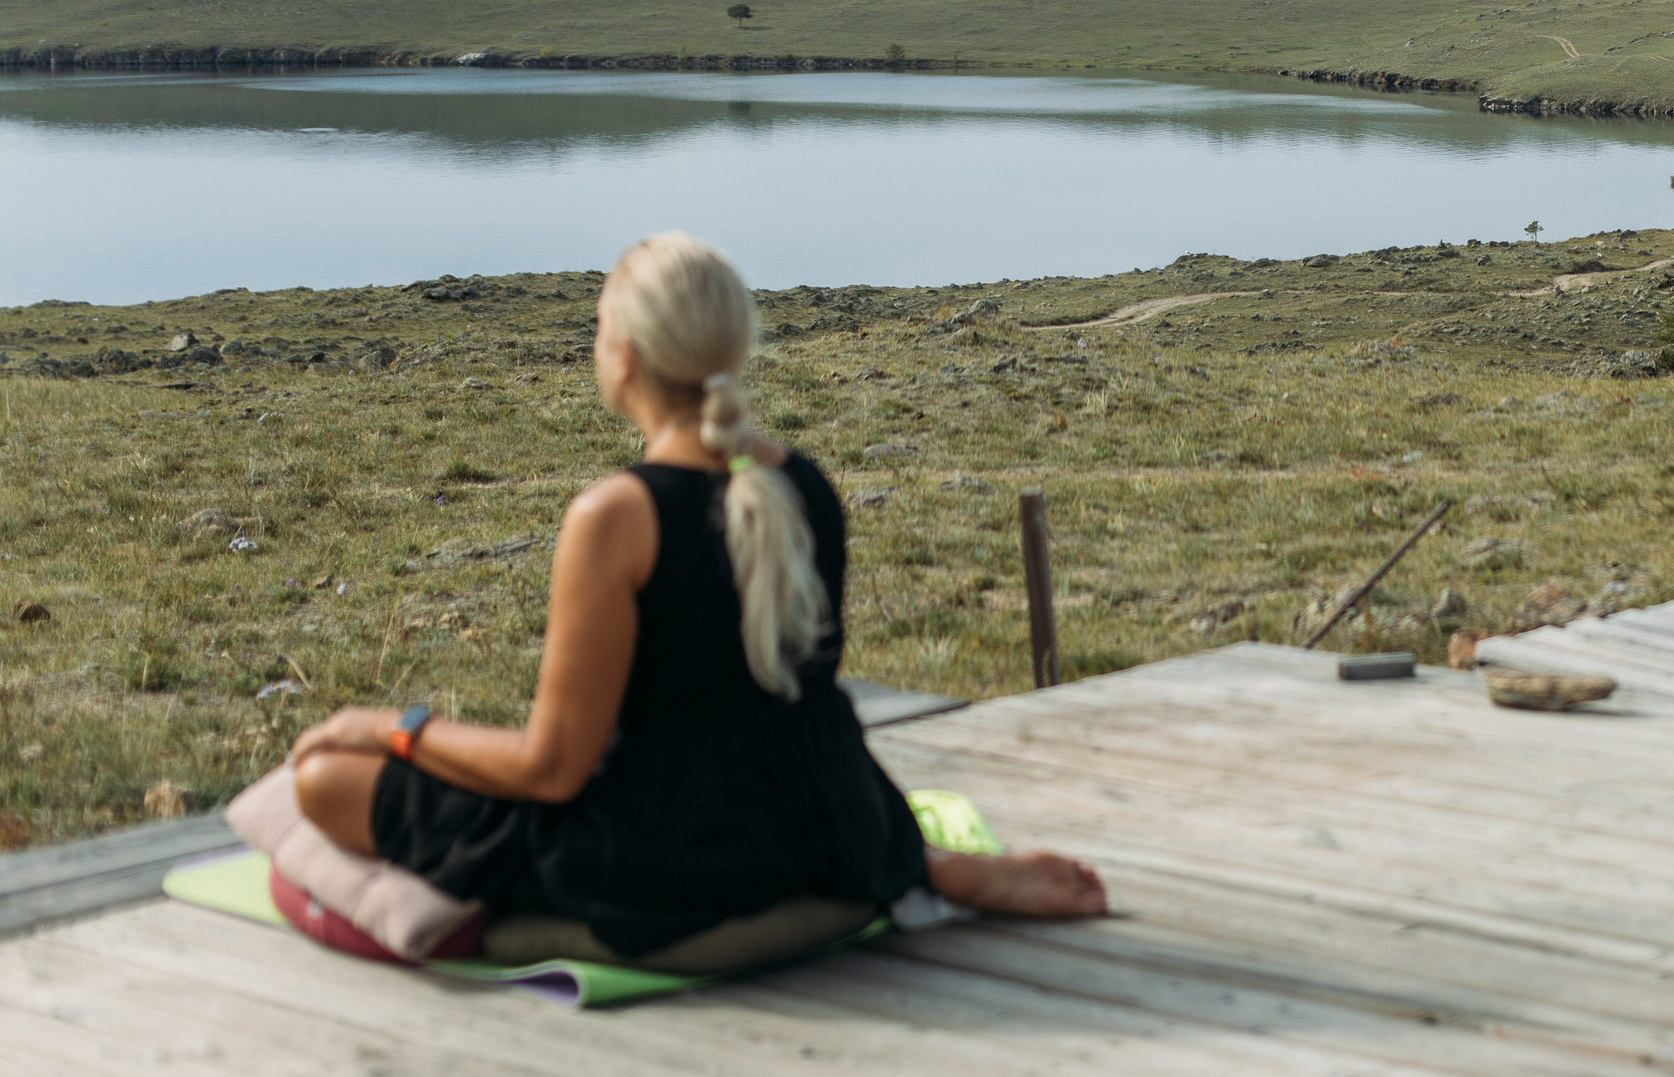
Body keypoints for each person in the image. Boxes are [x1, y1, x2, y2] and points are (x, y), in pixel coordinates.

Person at [288, 232, 1104, 964]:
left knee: (324, 778)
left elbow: (553, 768)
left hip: (666, 858)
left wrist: (399, 728)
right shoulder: (804, 483)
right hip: (836, 822)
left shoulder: (615, 516)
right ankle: (927, 864)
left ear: (626, 357)